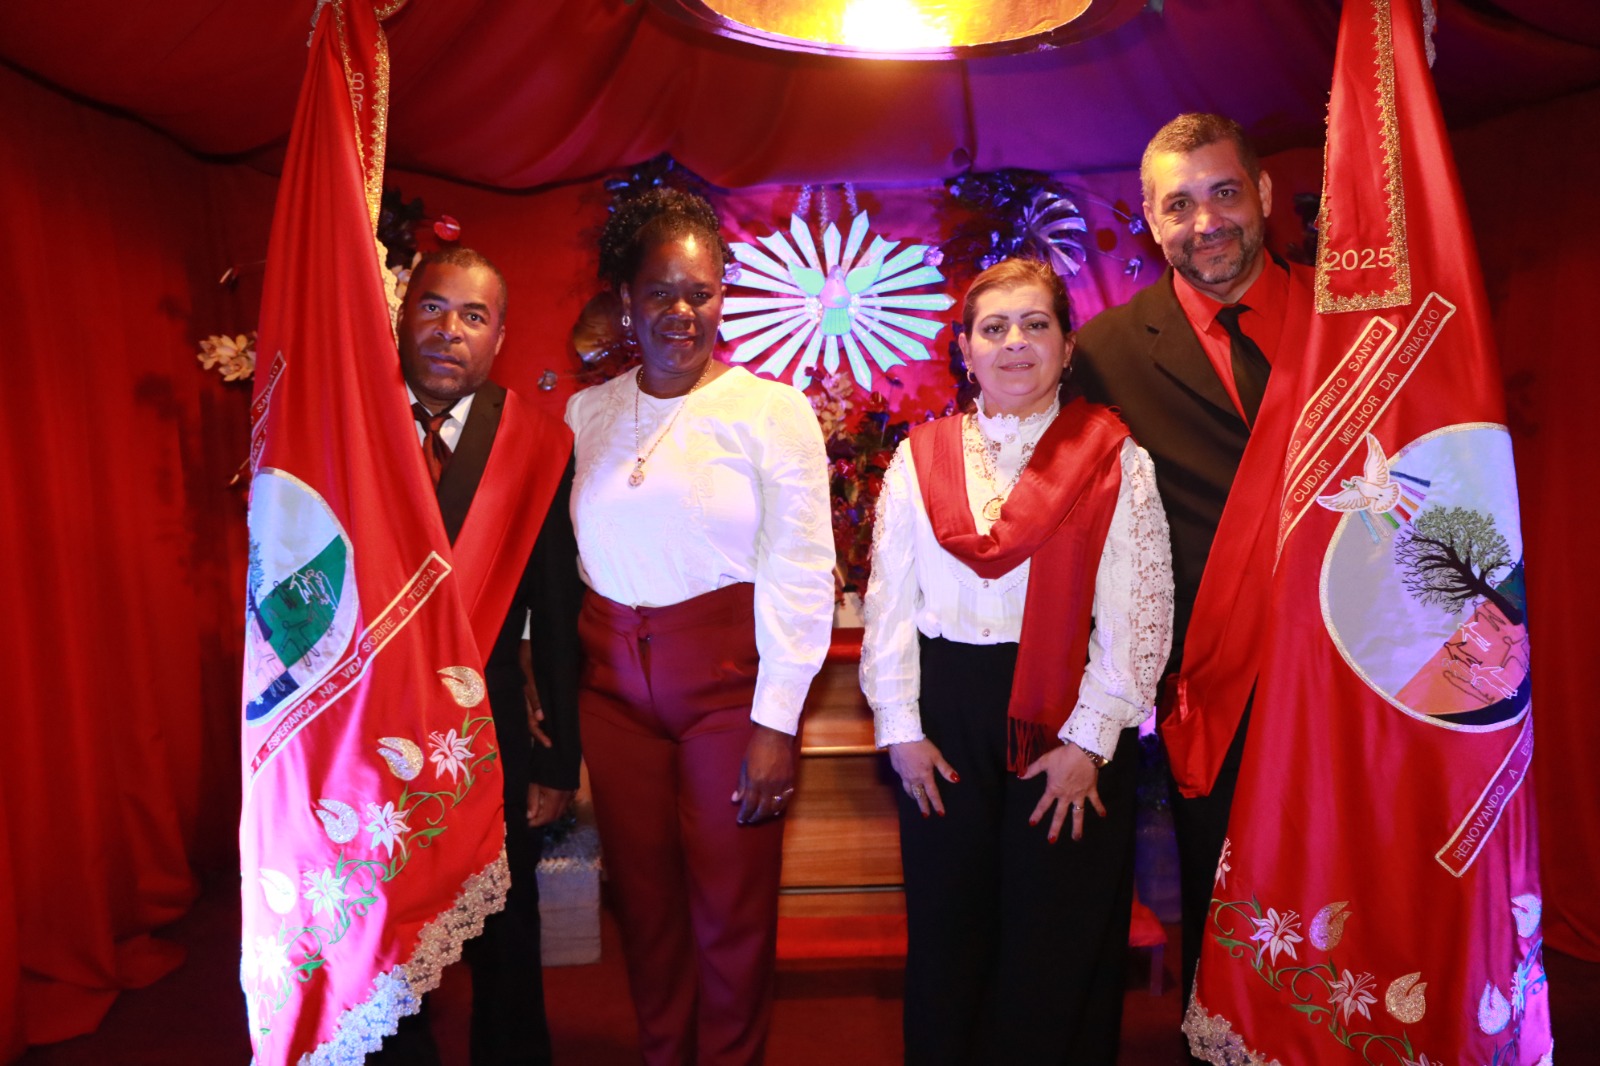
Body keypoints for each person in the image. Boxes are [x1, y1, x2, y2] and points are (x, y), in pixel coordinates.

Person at [861, 257, 1174, 1065]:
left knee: (1054, 937)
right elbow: (889, 601)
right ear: (964, 349)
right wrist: (900, 728)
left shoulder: (1113, 458)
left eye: (1036, 325)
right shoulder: (918, 458)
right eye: (993, 328)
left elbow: (1138, 613)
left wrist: (1090, 743)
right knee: (949, 929)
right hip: (945, 716)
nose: (1014, 343)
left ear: (1067, 347)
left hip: (1066, 711)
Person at [565, 188, 835, 1066]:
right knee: (646, 911)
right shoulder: (586, 414)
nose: (681, 311)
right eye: (660, 292)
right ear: (626, 299)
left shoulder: (772, 410)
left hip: (728, 696)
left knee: (731, 915)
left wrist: (776, 723)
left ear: (723, 297)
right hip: (612, 696)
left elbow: (802, 571)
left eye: (700, 292)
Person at [1073, 113, 1311, 1021]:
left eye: (1224, 193)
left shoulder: (1353, 322)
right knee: (1233, 924)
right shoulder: (1107, 352)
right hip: (1217, 692)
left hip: (1355, 674)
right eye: (1179, 205)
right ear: (1149, 218)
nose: (1205, 222)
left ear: (1263, 193)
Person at [374, 247, 584, 1066]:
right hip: (369, 732)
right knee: (386, 930)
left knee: (504, 926)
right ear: (402, 315)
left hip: (491, 729)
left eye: (473, 315)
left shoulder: (537, 442)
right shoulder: (352, 422)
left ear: (499, 336)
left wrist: (557, 762)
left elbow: (557, 614)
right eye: (433, 307)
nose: (449, 330)